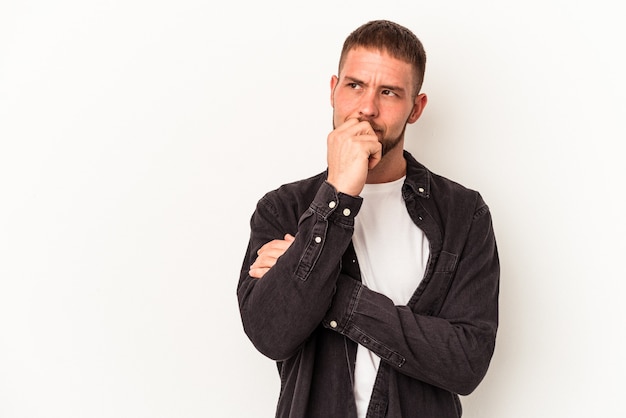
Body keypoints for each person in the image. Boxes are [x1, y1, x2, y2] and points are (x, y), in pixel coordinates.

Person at [237, 20, 499, 418]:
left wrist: (330, 290)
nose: (367, 108)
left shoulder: (464, 214)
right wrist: (337, 195)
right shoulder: (283, 208)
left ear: (416, 108)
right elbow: (271, 334)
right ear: (333, 90)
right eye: (354, 85)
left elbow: (466, 363)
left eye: (389, 92)